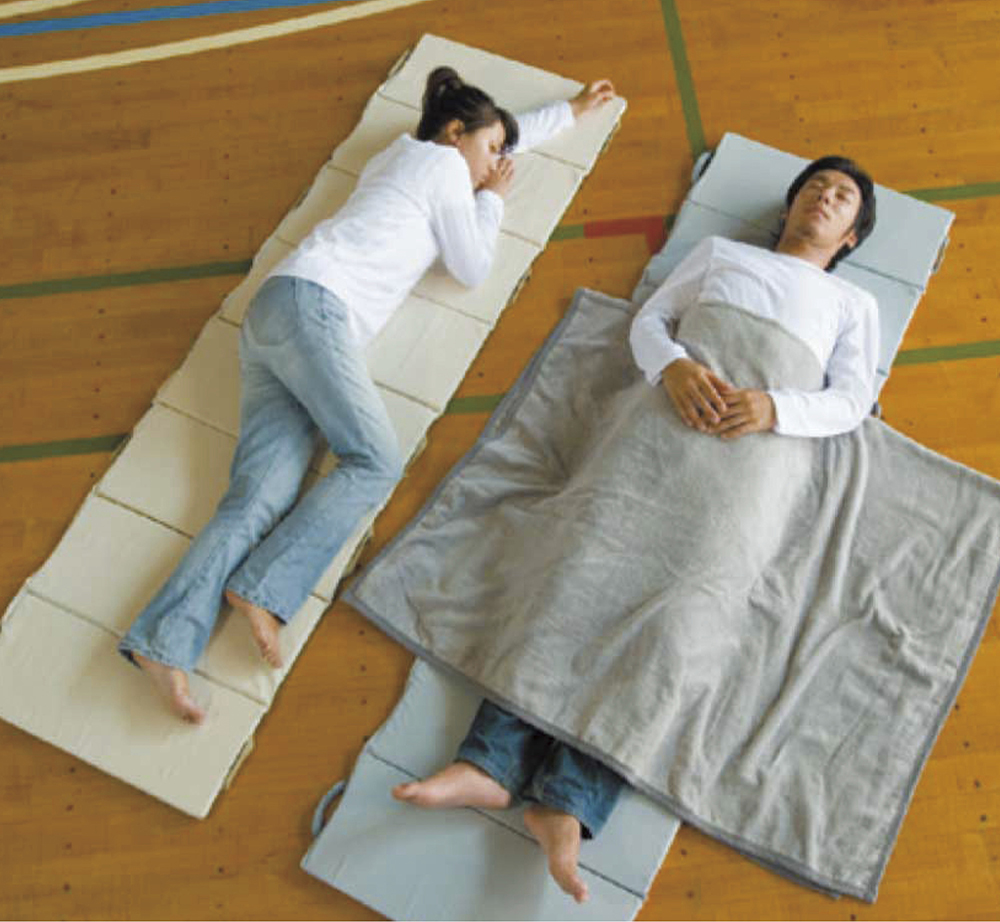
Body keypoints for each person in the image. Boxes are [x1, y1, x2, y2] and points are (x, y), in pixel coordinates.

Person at [393, 155, 879, 904]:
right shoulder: (723, 255)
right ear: (788, 208)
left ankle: (568, 802)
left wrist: (775, 408)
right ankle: (489, 763)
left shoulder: (852, 305)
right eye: (815, 186)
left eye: (842, 197)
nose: (825, 197)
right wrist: (674, 369)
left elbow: (849, 401)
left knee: (677, 627)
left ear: (850, 236)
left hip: (749, 468)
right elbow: (650, 321)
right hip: (657, 437)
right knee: (575, 581)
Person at [118, 67, 617, 724]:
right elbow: (471, 267)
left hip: (278, 312)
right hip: (314, 311)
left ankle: (162, 643)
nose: (496, 165)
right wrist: (493, 202)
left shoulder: (403, 155)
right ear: (455, 132)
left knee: (257, 498)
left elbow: (507, 135)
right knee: (375, 460)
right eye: (492, 151)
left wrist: (572, 110)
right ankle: (263, 588)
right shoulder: (444, 169)